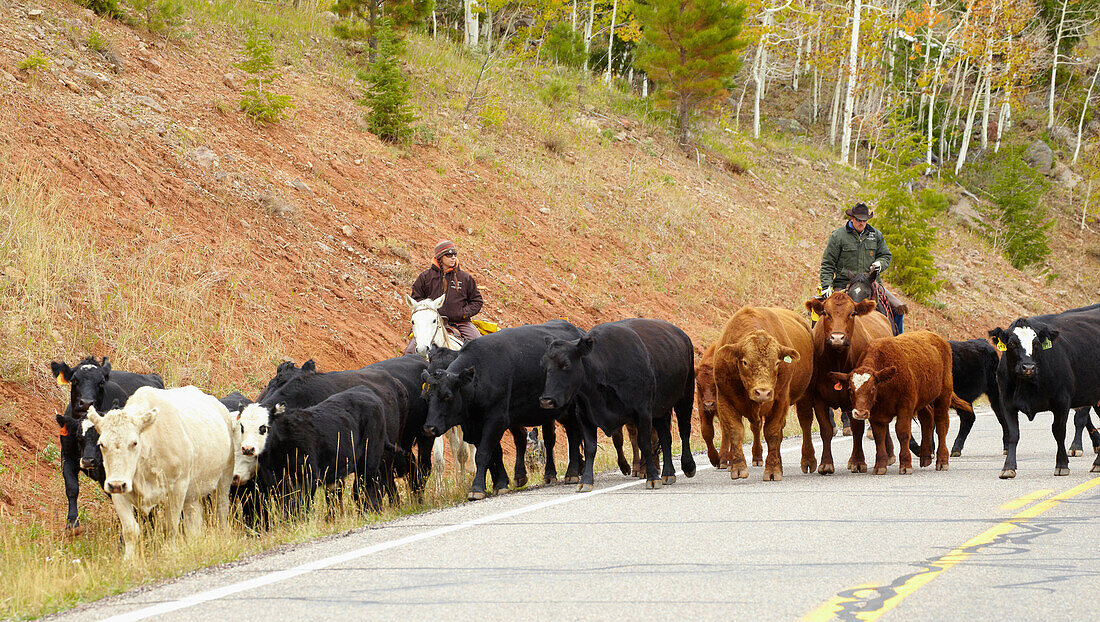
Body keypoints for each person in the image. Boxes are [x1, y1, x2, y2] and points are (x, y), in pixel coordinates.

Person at [818, 202, 903, 335]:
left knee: (899, 308)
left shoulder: (876, 235)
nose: (862, 223)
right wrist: (826, 286)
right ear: (851, 218)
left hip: (871, 283)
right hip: (844, 283)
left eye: (864, 220)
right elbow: (828, 263)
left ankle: (898, 343)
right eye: (858, 220)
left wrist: (879, 264)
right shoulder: (838, 236)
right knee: (823, 311)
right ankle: (816, 345)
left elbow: (885, 255)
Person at [404, 240, 484, 354]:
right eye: (449, 255)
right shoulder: (425, 277)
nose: (453, 257)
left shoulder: (465, 278)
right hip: (431, 323)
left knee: (479, 347)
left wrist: (463, 313)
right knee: (409, 352)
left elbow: (477, 300)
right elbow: (416, 297)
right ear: (440, 257)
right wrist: (428, 310)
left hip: (460, 323)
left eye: (454, 254)